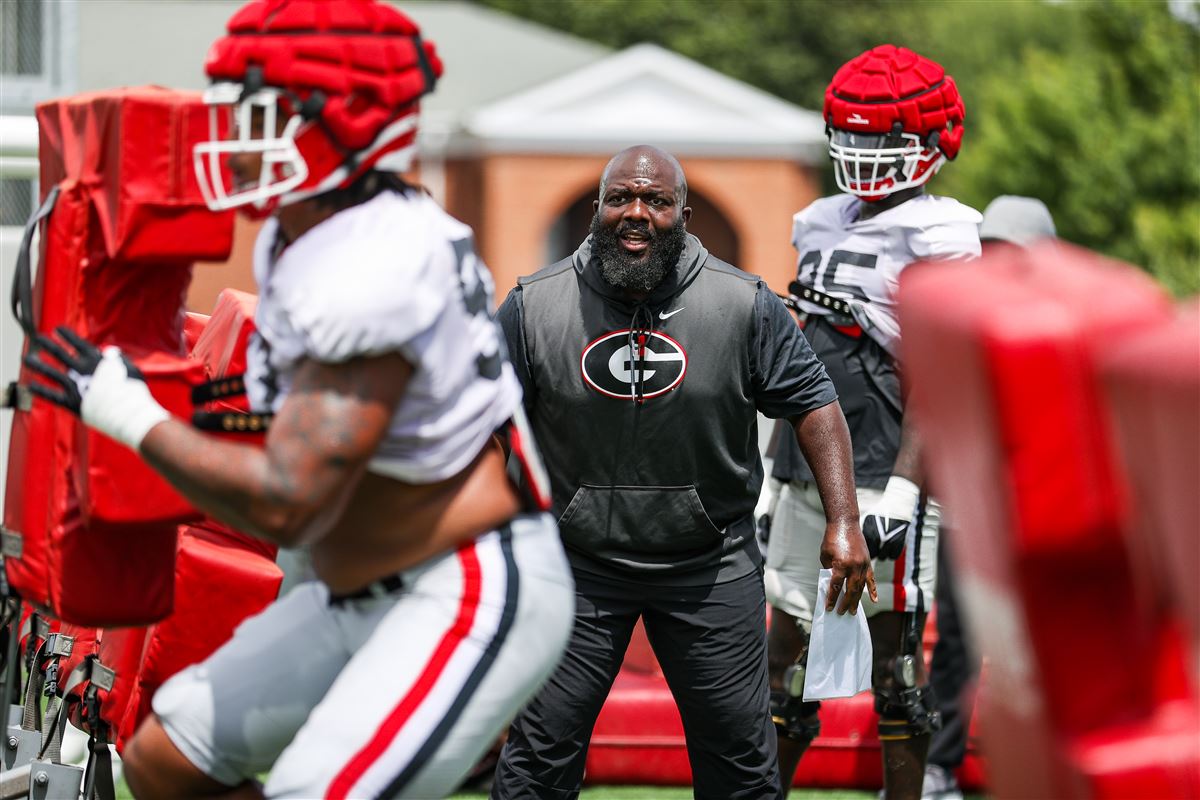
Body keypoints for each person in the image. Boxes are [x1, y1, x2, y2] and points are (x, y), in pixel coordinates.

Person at [22, 1, 573, 797]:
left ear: (344, 124)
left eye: (262, 114)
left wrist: (128, 414)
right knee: (164, 762)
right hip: (355, 588)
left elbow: (290, 505)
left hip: (462, 585)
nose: (235, 137)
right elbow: (286, 418)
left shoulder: (372, 264)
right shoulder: (310, 234)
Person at [489, 144, 875, 800]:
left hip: (709, 565)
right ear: (597, 209)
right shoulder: (534, 305)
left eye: (657, 201)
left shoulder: (743, 303)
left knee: (741, 767)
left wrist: (844, 520)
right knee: (536, 760)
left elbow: (815, 404)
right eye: (620, 199)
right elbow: (480, 421)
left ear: (685, 214)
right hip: (576, 567)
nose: (636, 214)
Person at [763, 44, 981, 800]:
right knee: (782, 661)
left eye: (882, 141)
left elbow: (943, 377)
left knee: (894, 667)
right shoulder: (818, 221)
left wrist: (901, 490)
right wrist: (770, 470)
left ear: (927, 144)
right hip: (804, 471)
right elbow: (795, 363)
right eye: (852, 139)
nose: (863, 157)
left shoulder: (941, 234)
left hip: (885, 465)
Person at [921, 194, 1057, 800]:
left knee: (1045, 640)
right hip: (969, 509)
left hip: (1041, 505)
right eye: (992, 250)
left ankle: (1046, 768)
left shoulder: (1063, 322)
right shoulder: (965, 325)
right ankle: (939, 767)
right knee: (956, 638)